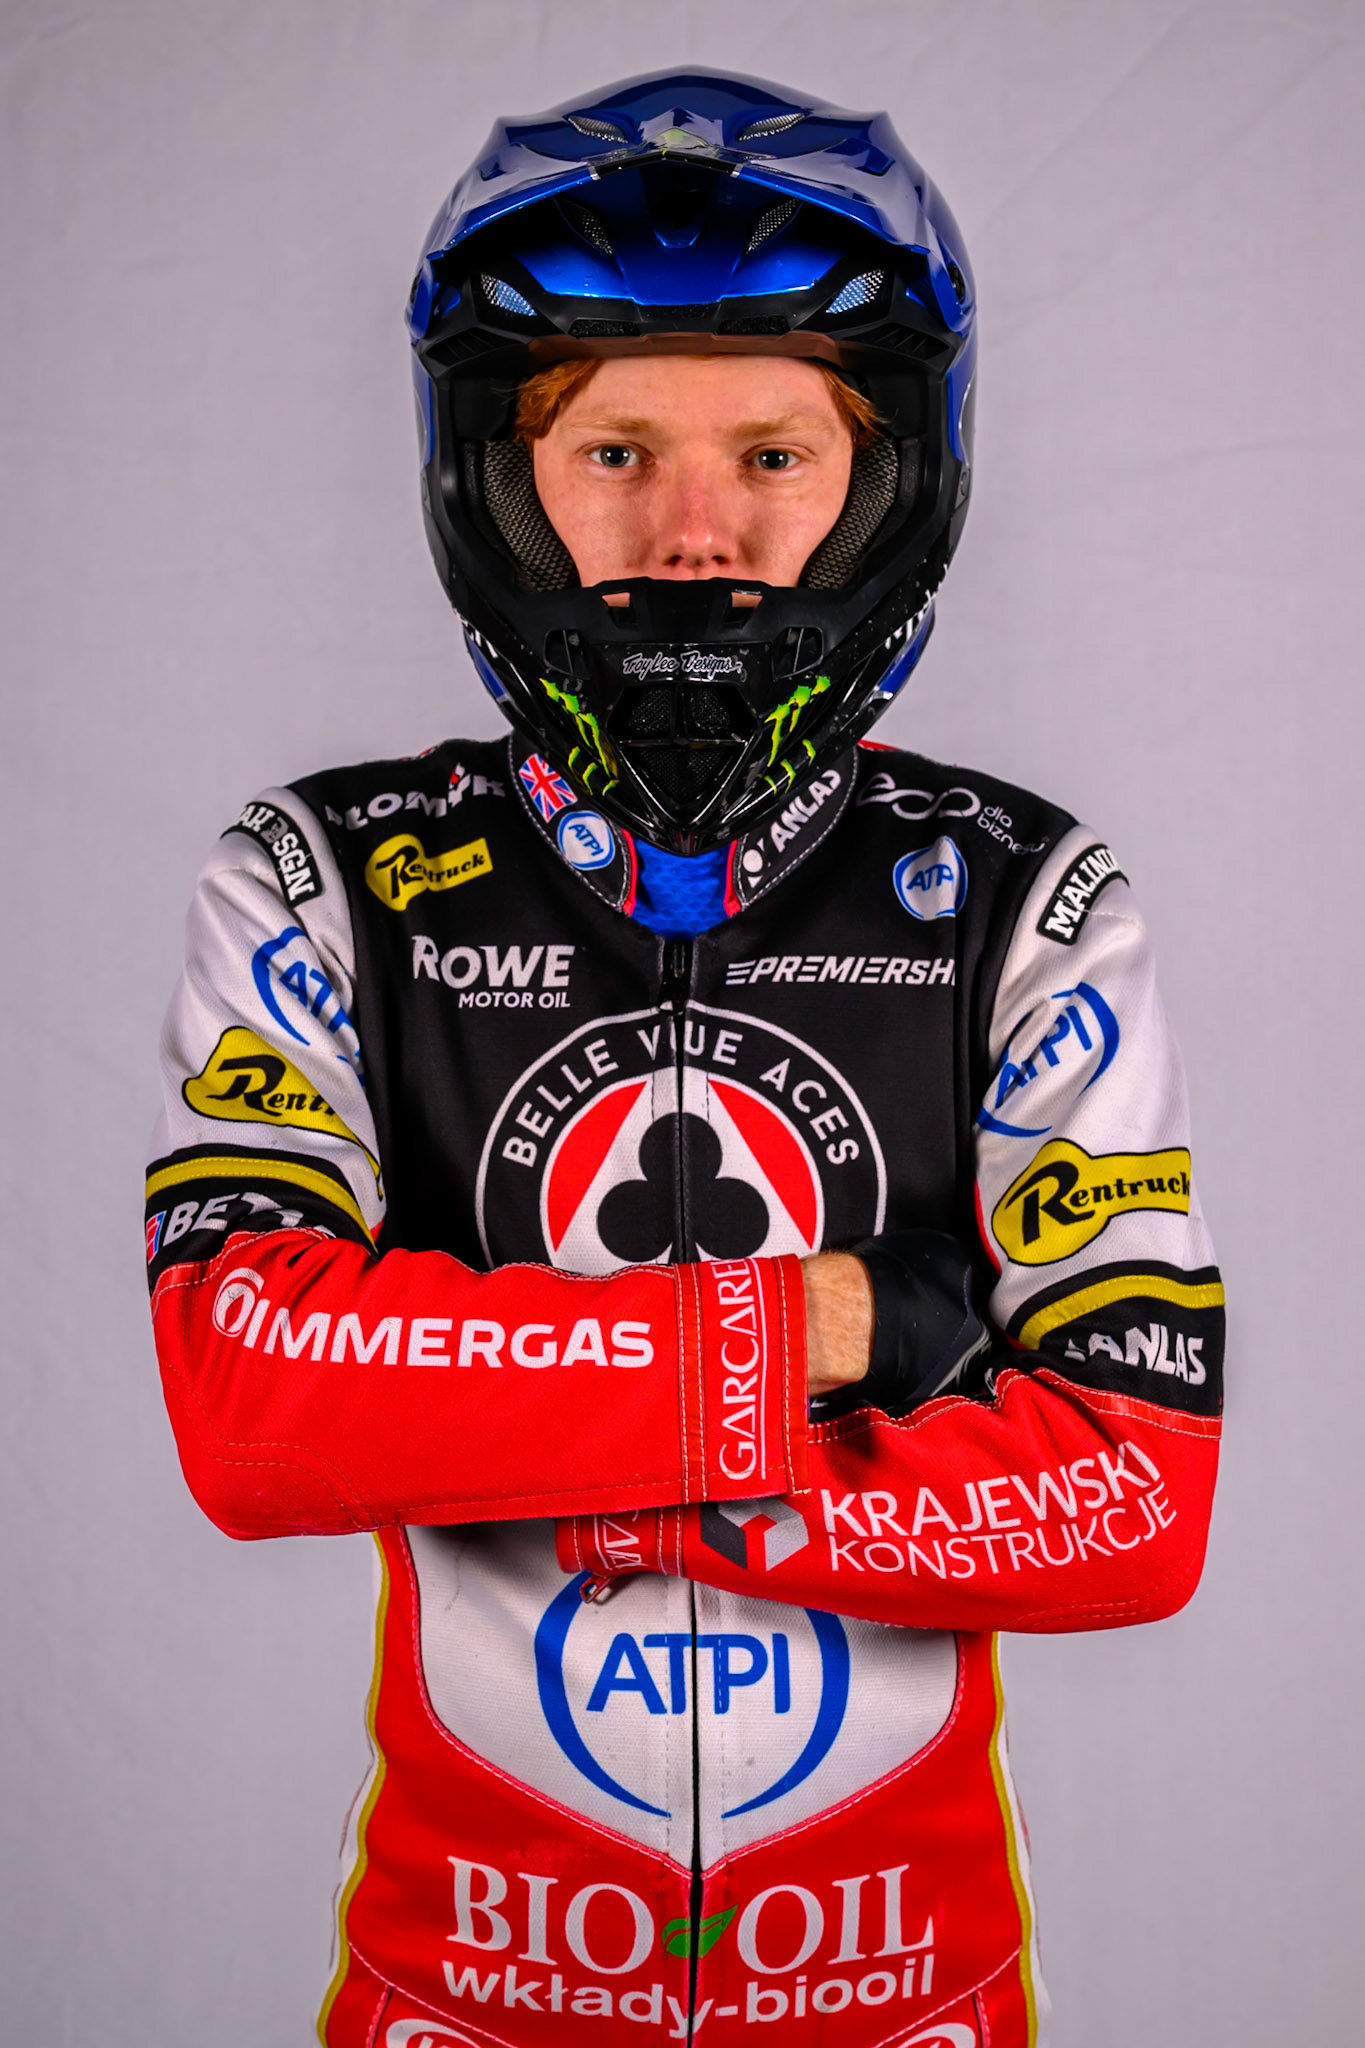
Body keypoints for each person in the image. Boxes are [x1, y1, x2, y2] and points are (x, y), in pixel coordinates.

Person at [145, 69, 1224, 2048]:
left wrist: (605, 1478)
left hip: (903, 2001)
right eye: (614, 449)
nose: (696, 533)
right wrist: (835, 1326)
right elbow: (251, 1403)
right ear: (491, 476)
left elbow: (1134, 1500)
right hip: (459, 1995)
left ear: (893, 473)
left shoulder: (1024, 896)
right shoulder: (322, 879)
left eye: (774, 452)